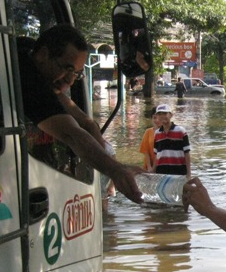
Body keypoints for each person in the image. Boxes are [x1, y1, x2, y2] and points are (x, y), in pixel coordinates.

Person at [18, 23, 142, 203]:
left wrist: (110, 164)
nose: (70, 80)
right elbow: (71, 134)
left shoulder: (32, 57)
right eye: (67, 69)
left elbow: (85, 122)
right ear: (43, 54)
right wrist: (115, 170)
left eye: (76, 73)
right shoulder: (26, 77)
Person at [150, 103, 191, 177]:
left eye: (165, 113)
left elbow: (187, 154)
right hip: (161, 172)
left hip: (178, 172)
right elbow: (156, 155)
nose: (162, 116)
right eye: (159, 114)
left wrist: (189, 174)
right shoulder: (157, 134)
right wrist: (153, 171)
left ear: (171, 115)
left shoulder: (181, 131)